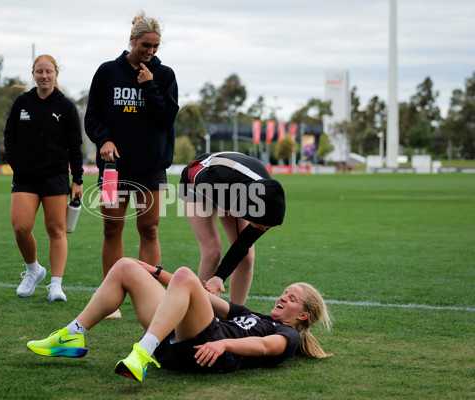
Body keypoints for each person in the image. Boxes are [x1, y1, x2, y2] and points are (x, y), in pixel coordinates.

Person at [26, 257, 332, 381]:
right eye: (285, 292)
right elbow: (200, 295)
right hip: (178, 342)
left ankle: (142, 353)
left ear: (304, 315)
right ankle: (72, 334)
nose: (282, 298)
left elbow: (267, 347)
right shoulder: (255, 315)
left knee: (186, 275)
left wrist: (224, 345)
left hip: (208, 350)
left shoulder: (289, 336)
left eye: (291, 298)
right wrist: (154, 271)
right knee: (125, 267)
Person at [84, 11, 179, 317]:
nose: (150, 52)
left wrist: (149, 85)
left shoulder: (164, 76)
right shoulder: (107, 72)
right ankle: (110, 302)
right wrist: (104, 141)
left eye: (155, 47)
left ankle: (150, 296)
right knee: (111, 230)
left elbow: (166, 118)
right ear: (132, 40)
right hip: (114, 169)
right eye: (145, 46)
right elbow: (93, 117)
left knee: (148, 229)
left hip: (151, 167)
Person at [3, 54, 83, 302]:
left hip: (55, 177)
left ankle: (56, 285)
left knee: (56, 229)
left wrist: (77, 180)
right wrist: (17, 164)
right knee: (20, 227)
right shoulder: (22, 102)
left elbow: (75, 146)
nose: (44, 76)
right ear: (33, 74)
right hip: (26, 178)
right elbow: (9, 137)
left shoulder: (66, 107)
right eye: (39, 71)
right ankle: (33, 270)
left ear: (56, 74)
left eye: (48, 71)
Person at [178, 152, 286, 304]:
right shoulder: (212, 182)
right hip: (197, 181)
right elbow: (193, 173)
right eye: (261, 226)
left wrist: (219, 276)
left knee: (247, 258)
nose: (262, 230)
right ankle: (201, 311)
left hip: (236, 191)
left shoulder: (269, 199)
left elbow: (243, 243)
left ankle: (236, 316)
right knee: (212, 251)